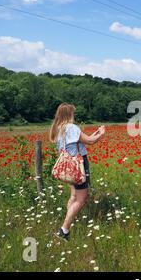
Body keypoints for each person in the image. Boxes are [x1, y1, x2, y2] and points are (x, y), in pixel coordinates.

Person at [49, 103, 105, 241]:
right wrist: (102, 134)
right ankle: (64, 230)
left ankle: (68, 222)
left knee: (74, 196)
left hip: (68, 167)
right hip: (77, 166)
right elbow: (90, 142)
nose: (74, 115)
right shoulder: (72, 127)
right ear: (69, 114)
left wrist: (94, 134)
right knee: (81, 199)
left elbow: (80, 141)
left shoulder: (59, 129)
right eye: (73, 113)